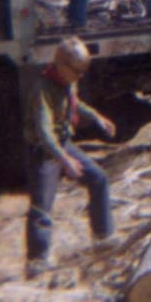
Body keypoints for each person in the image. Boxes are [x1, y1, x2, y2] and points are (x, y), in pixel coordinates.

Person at [24, 36, 116, 279]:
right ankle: (36, 261)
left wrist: (97, 117)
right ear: (61, 64)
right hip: (44, 151)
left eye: (82, 71)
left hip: (63, 144)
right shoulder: (42, 89)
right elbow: (44, 132)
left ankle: (103, 237)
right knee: (41, 208)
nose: (80, 76)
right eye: (76, 71)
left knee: (99, 179)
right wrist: (64, 160)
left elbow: (75, 104)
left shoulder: (67, 82)